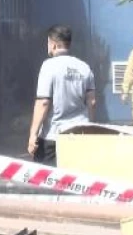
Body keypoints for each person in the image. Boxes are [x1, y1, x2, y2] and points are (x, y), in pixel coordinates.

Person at [28, 25, 96, 167]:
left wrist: (33, 134)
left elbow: (43, 102)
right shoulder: (84, 67)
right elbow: (92, 101)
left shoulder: (48, 66)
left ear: (52, 44)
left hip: (53, 137)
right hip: (79, 134)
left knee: (48, 182)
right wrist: (90, 129)